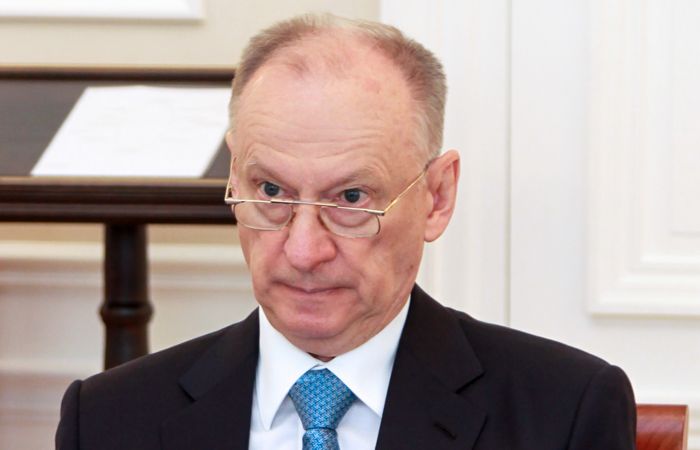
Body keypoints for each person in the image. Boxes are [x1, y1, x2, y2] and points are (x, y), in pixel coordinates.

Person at [56, 14, 636, 450]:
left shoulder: (563, 413)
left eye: (351, 199)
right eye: (272, 192)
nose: (303, 251)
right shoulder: (108, 420)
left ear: (437, 197)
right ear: (234, 178)